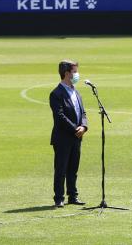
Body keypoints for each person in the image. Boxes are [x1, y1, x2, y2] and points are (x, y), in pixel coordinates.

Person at [49, 59, 88, 208]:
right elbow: (59, 116)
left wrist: (84, 126)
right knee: (61, 169)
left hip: (77, 136)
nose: (77, 74)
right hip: (63, 138)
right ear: (67, 73)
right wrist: (75, 129)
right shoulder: (56, 94)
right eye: (75, 71)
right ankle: (59, 198)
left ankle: (73, 196)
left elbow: (82, 112)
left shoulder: (76, 92)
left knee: (73, 168)